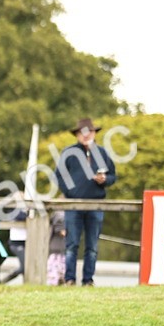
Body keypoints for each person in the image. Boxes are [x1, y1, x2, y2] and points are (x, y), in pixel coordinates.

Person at [55, 118, 117, 287]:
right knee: (71, 244)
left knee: (92, 246)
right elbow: (59, 176)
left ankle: (88, 280)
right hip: (73, 205)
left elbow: (113, 176)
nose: (85, 135)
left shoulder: (102, 153)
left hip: (96, 204)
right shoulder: (69, 153)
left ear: (94, 133)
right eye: (82, 132)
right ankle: (70, 279)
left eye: (88, 132)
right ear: (76, 135)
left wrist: (104, 180)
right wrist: (70, 193)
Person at [47, 210, 67, 286]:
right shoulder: (59, 215)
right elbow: (61, 231)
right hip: (57, 248)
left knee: (60, 268)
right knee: (56, 269)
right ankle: (54, 283)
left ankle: (59, 282)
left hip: (59, 248)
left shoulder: (58, 214)